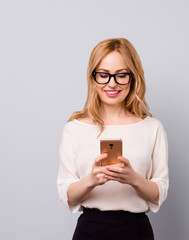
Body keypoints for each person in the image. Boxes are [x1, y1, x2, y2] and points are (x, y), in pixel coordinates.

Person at [57, 38, 169, 240]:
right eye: (103, 75)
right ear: (93, 78)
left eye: (121, 75)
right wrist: (91, 180)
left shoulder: (152, 128)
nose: (112, 83)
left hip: (136, 231)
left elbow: (160, 192)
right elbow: (67, 194)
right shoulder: (74, 128)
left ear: (133, 78)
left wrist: (132, 178)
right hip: (90, 231)